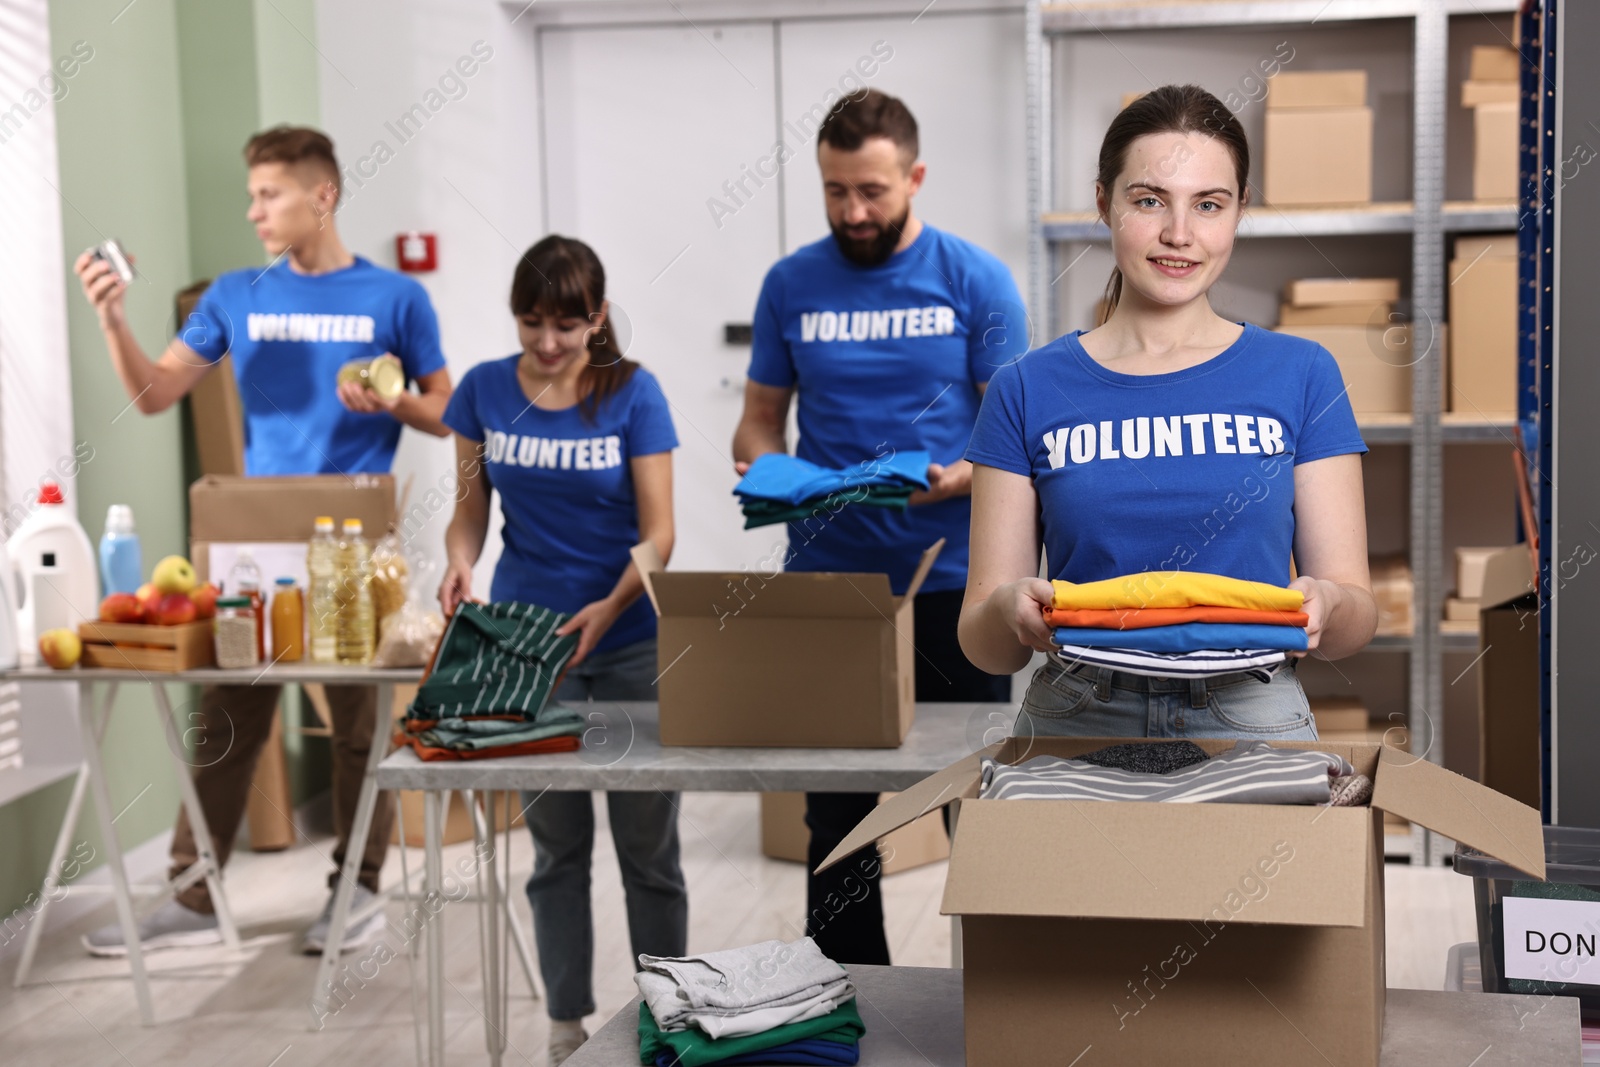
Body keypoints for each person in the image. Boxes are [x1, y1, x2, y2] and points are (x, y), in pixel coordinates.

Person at [75, 126, 453, 956]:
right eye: (251, 195)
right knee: (228, 713)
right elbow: (153, 393)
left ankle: (355, 890)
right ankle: (192, 892)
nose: (253, 211)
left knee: (359, 725)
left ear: (323, 195)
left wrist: (390, 399)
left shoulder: (395, 299)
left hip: (357, 543)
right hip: (259, 540)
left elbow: (447, 409)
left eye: (269, 193)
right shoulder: (235, 294)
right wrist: (112, 318)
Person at [960, 84, 1377, 738]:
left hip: (1252, 713)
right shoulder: (1024, 387)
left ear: (1239, 211)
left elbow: (1356, 618)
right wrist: (1007, 609)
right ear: (1104, 204)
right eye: (1149, 200)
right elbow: (986, 643)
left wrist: (1329, 605)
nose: (1179, 234)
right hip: (1078, 715)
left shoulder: (1304, 373)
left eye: (1208, 205)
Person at [731, 89, 1029, 966]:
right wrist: (758, 463)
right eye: (835, 192)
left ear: (915, 176)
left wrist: (961, 476)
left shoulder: (976, 279)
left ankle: (998, 993)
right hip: (829, 580)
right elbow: (758, 418)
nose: (852, 212)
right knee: (836, 808)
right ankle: (847, 996)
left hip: (953, 580)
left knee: (965, 798)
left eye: (871, 191)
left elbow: (1017, 434)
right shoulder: (790, 284)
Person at [438, 235, 686, 1066]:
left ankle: (669, 1012)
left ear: (598, 318)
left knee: (649, 848)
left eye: (567, 324)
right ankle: (565, 1026)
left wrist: (610, 604)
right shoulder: (480, 391)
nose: (548, 342)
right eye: (532, 322)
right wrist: (460, 560)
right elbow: (469, 512)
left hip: (629, 643)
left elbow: (660, 535)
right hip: (525, 644)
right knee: (555, 848)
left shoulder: (632, 393)